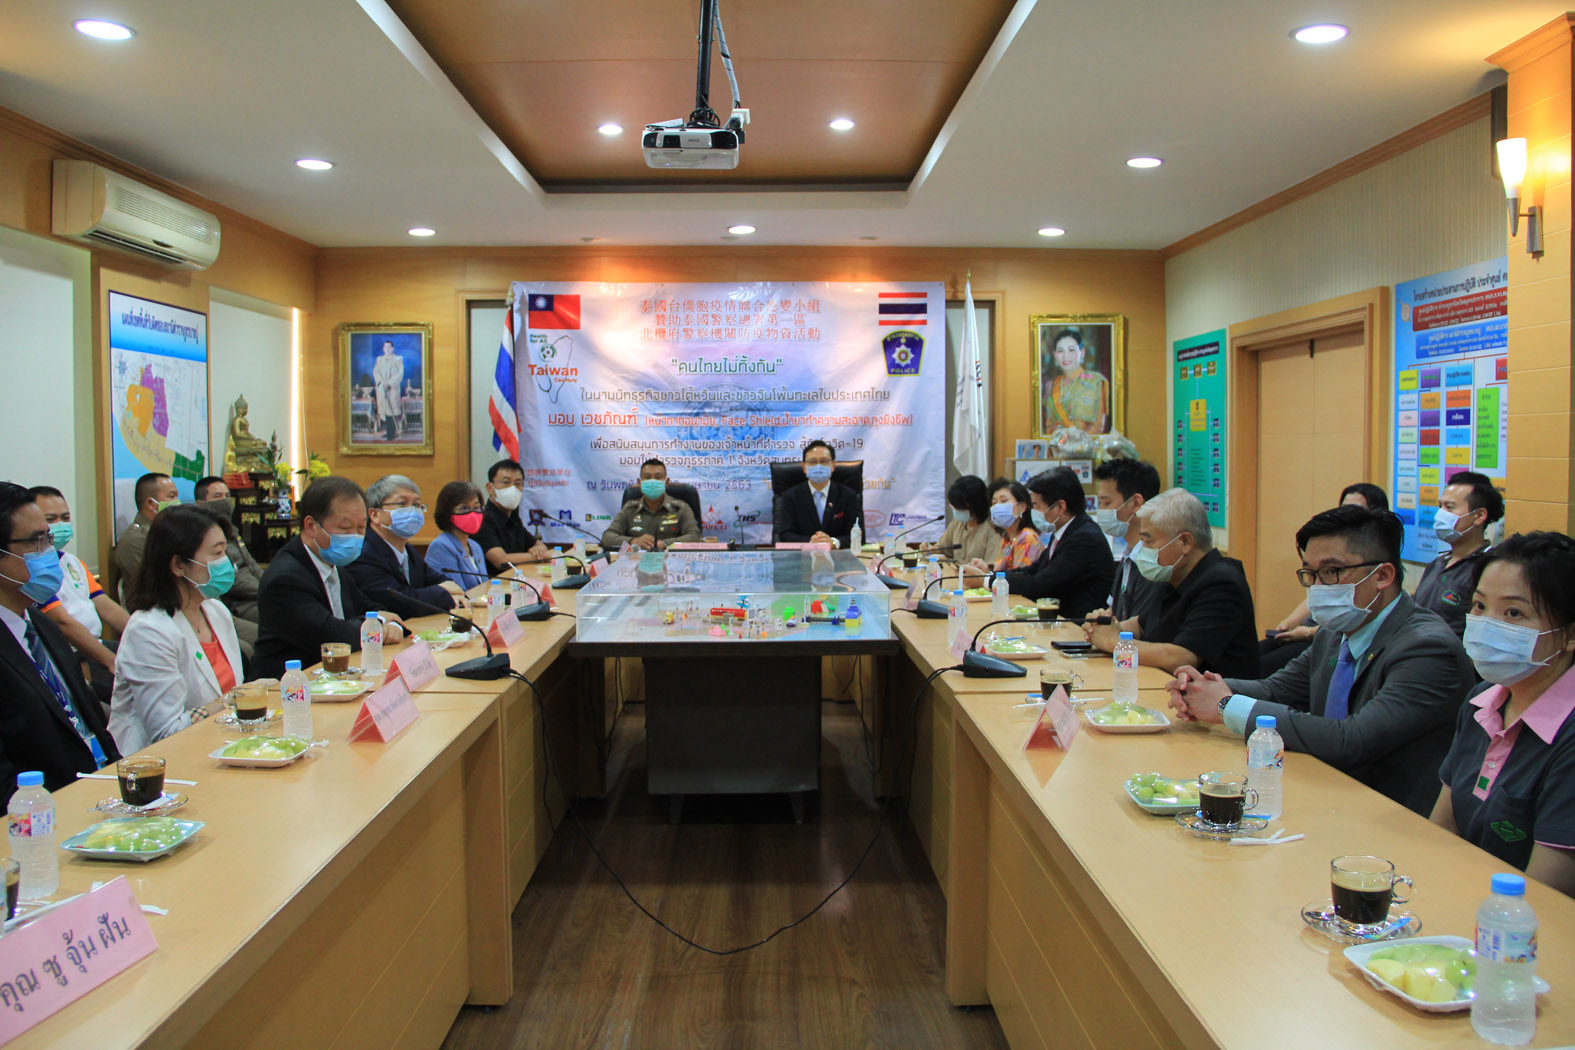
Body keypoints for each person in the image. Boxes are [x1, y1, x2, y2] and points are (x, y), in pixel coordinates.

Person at [1167, 505, 1473, 815]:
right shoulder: (1336, 631)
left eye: (1331, 572)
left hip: (1393, 816)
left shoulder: (1428, 650)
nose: (1317, 587)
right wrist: (1201, 688)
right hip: (1328, 795)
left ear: (1382, 575)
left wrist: (1225, 706)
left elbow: (1352, 740)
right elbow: (1276, 690)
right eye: (1310, 574)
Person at [1431, 532, 1575, 896]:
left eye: (1513, 613)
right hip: (1455, 896)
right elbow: (1441, 829)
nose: (1486, 625)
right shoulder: (1482, 699)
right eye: (1479, 606)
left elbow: (1544, 894)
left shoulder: (1568, 734)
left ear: (1570, 635)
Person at [0, 482, 118, 802]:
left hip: (101, 790)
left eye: (48, 539)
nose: (49, 554)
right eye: (35, 541)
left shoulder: (40, 624)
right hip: (47, 810)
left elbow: (91, 723)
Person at [108, 505, 245, 755]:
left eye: (224, 551)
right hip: (160, 762)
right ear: (178, 565)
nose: (226, 563)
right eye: (216, 553)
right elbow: (167, 731)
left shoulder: (215, 611)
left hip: (219, 747)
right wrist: (233, 701)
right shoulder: (149, 631)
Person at [1084, 488, 1259, 678]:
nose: (1142, 550)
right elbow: (1141, 625)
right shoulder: (1173, 574)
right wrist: (1104, 627)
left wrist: (1113, 642)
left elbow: (1182, 657)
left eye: (1148, 541)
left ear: (1185, 542)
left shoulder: (1222, 585)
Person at [252, 476, 406, 679]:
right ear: (311, 526)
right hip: (289, 686)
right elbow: (332, 637)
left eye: (361, 527)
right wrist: (378, 623)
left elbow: (368, 607)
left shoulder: (333, 564)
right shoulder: (285, 578)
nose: (355, 536)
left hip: (336, 678)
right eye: (344, 528)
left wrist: (388, 623)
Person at [1260, 482, 1390, 674]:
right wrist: (1289, 623)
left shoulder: (1375, 565)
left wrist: (1307, 633)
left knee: (1266, 666)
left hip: (1319, 635)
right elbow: (1279, 686)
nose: (1318, 585)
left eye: (1331, 571)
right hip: (1322, 634)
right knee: (1257, 654)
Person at [29, 485, 129, 699]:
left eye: (65, 518)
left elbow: (106, 607)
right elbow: (63, 623)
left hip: (95, 644)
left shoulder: (71, 561)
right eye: (51, 519)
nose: (61, 525)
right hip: (69, 654)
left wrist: (142, 633)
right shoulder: (32, 570)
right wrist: (111, 662)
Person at [995, 466, 1113, 619]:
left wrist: (988, 581)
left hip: (1078, 626)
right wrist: (992, 577)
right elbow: (1033, 570)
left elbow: (1040, 585)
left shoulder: (1084, 538)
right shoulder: (1063, 532)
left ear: (1060, 507)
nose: (1033, 511)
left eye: (1036, 505)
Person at [346, 474, 464, 619]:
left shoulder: (408, 550)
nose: (412, 511)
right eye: (402, 504)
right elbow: (399, 603)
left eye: (416, 505)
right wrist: (445, 594)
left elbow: (439, 581)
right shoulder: (364, 552)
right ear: (375, 514)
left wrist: (449, 591)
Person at [1415, 470, 1502, 638]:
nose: (1440, 515)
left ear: (1479, 516)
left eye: (1449, 507)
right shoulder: (1438, 563)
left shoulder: (1487, 569)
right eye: (1440, 506)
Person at [1091, 458, 1164, 633]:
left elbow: (1141, 628)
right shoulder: (1128, 556)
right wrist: (1102, 618)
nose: (1101, 510)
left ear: (1136, 503)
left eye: (1106, 503)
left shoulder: (1155, 561)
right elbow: (1115, 614)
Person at [193, 475, 263, 654]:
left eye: (227, 496)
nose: (225, 501)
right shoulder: (200, 538)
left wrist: (270, 585)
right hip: (238, 602)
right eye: (218, 497)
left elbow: (252, 566)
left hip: (258, 594)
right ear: (201, 504)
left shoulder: (232, 531)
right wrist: (266, 590)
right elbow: (233, 582)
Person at [775, 440, 862, 548]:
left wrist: (833, 542)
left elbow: (856, 534)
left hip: (837, 555)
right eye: (813, 462)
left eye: (824, 461)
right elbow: (785, 534)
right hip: (803, 555)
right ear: (804, 467)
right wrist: (810, 542)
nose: (818, 466)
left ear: (833, 465)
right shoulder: (791, 496)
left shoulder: (848, 495)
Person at [601, 459, 701, 550]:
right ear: (640, 483)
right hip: (635, 561)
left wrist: (665, 543)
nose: (652, 482)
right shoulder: (630, 508)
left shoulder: (680, 508)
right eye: (647, 477)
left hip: (670, 561)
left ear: (666, 482)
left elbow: (694, 536)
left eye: (658, 477)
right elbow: (607, 537)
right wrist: (632, 541)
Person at [475, 459, 550, 574]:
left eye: (518, 483)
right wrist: (542, 556)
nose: (512, 488)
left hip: (518, 579)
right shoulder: (482, 519)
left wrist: (538, 550)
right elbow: (501, 561)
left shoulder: (512, 516)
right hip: (495, 583)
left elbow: (538, 544)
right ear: (490, 488)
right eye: (505, 482)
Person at [114, 472, 177, 599]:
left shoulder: (167, 532)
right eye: (171, 496)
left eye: (177, 496)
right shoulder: (135, 541)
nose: (177, 502)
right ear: (150, 504)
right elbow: (154, 586)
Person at [426, 481, 491, 590]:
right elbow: (457, 592)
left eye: (476, 507)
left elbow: (485, 587)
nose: (472, 514)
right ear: (447, 512)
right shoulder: (441, 547)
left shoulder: (475, 546)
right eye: (464, 508)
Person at [1042, 328, 1109, 434]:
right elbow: (1049, 426)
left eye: (1071, 350)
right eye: (1060, 351)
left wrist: (1076, 442)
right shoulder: (1050, 385)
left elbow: (1097, 426)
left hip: (1086, 443)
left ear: (1082, 352)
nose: (1065, 356)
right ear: (1055, 355)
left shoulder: (1095, 382)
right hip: (1056, 443)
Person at [972, 478, 1042, 571]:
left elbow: (1019, 577)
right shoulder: (1007, 538)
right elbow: (1002, 573)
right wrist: (985, 569)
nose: (997, 507)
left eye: (1004, 501)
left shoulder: (1026, 538)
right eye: (994, 503)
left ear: (1022, 507)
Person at [933, 475, 999, 566]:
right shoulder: (958, 522)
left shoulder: (992, 528)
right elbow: (943, 549)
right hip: (956, 573)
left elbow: (990, 568)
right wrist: (930, 550)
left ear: (974, 505)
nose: (956, 510)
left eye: (959, 507)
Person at [373, 340, 404, 441]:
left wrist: (389, 383)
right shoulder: (379, 359)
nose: (387, 349)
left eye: (389, 347)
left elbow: (400, 374)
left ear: (392, 348)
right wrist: (381, 382)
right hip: (382, 388)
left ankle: (392, 434)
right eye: (385, 347)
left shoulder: (398, 359)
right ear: (383, 348)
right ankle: (388, 431)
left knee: (391, 411)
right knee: (384, 411)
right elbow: (376, 372)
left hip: (392, 389)